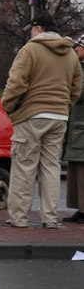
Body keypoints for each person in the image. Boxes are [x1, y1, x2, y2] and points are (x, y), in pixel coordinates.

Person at [1, 11, 82, 228]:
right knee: (51, 167)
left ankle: (19, 218)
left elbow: (16, 82)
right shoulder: (71, 53)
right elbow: (76, 88)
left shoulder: (30, 50)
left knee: (24, 167)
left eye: (32, 31)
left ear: (38, 29)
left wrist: (8, 106)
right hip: (59, 117)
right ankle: (50, 218)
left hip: (31, 115)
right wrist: (64, 107)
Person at [63, 35, 84, 224]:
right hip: (76, 127)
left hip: (81, 129)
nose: (76, 49)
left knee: (82, 171)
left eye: (79, 47)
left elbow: (78, 93)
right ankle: (80, 209)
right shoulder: (79, 68)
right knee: (75, 170)